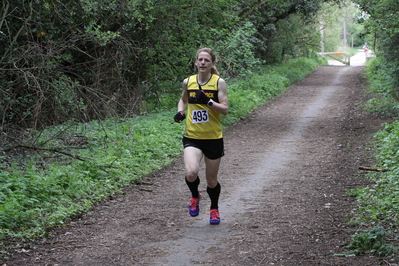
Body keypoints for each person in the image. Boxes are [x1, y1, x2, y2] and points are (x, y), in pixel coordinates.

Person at [174, 48, 228, 225]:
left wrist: (209, 102)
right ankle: (195, 195)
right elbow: (183, 99)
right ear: (196, 62)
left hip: (213, 138)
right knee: (191, 172)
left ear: (212, 64)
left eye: (206, 60)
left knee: (211, 180)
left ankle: (214, 208)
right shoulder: (188, 82)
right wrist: (180, 112)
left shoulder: (218, 82)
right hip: (193, 137)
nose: (203, 63)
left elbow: (225, 110)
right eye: (200, 60)